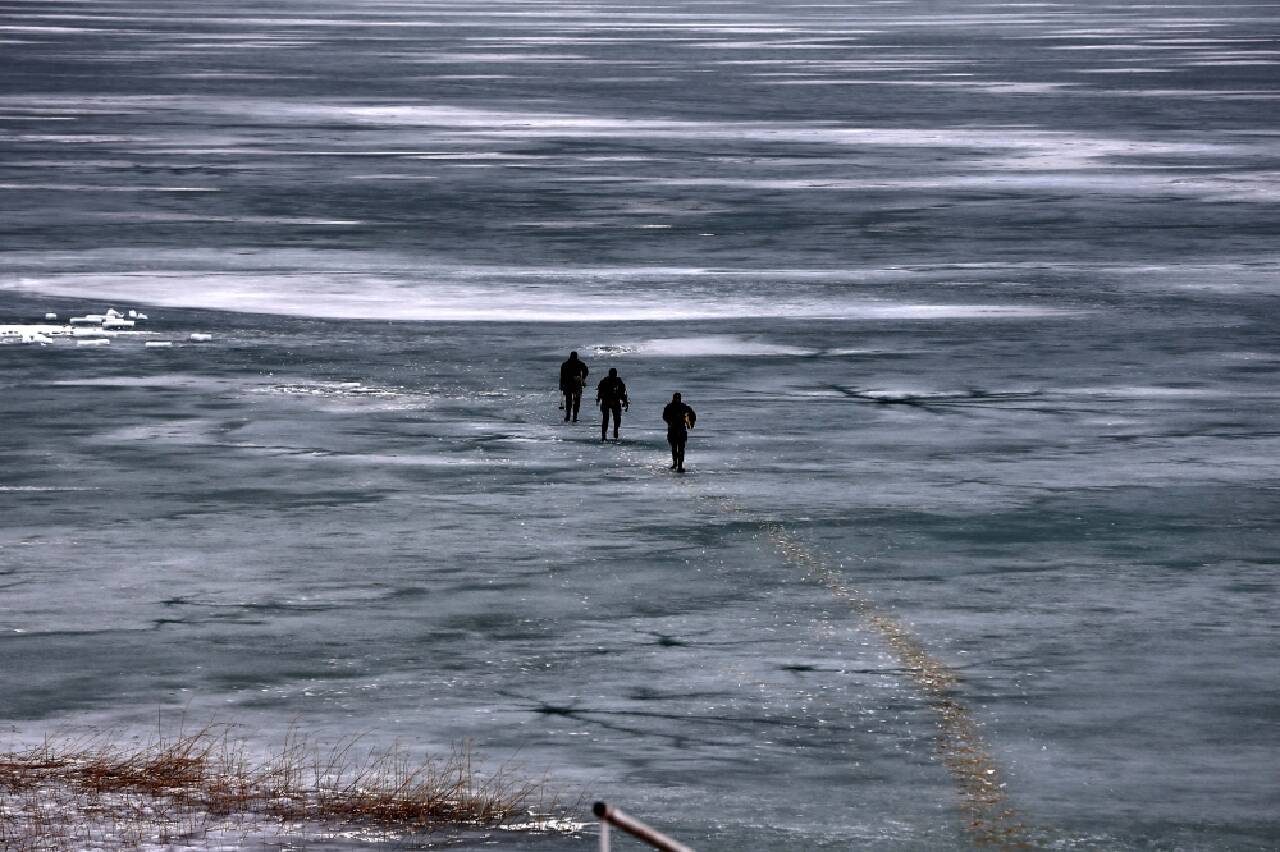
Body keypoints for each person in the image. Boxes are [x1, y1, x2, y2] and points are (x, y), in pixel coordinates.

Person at [662, 392, 696, 472]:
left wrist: (690, 423)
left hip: (680, 430)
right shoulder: (670, 407)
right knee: (674, 448)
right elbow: (664, 416)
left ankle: (679, 465)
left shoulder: (683, 407)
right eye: (676, 398)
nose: (677, 400)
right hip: (673, 430)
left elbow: (692, 415)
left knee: (680, 448)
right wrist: (669, 421)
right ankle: (675, 463)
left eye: (678, 398)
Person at [596, 367, 629, 441]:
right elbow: (623, 393)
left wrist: (625, 401)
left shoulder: (615, 381)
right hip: (608, 401)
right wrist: (625, 402)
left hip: (611, 401)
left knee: (611, 418)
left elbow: (622, 393)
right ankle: (610, 433)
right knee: (609, 418)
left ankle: (611, 432)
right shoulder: (608, 381)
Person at [559, 351, 589, 422]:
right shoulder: (580, 363)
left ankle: (568, 417)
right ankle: (574, 417)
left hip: (568, 384)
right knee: (577, 401)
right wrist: (583, 379)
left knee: (569, 401)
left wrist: (562, 386)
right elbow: (586, 371)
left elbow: (562, 376)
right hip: (576, 384)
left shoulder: (565, 364)